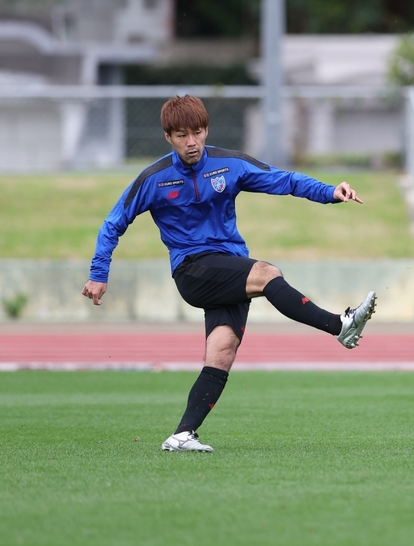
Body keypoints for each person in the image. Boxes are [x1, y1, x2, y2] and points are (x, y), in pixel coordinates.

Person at [81, 95, 377, 452]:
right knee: (266, 273)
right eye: (182, 135)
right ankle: (339, 325)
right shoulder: (154, 179)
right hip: (192, 270)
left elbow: (283, 180)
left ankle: (182, 434)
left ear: (206, 130)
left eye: (197, 132)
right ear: (168, 137)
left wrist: (329, 191)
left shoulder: (229, 164)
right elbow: (113, 223)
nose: (191, 142)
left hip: (229, 266)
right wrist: (99, 273)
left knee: (222, 352)